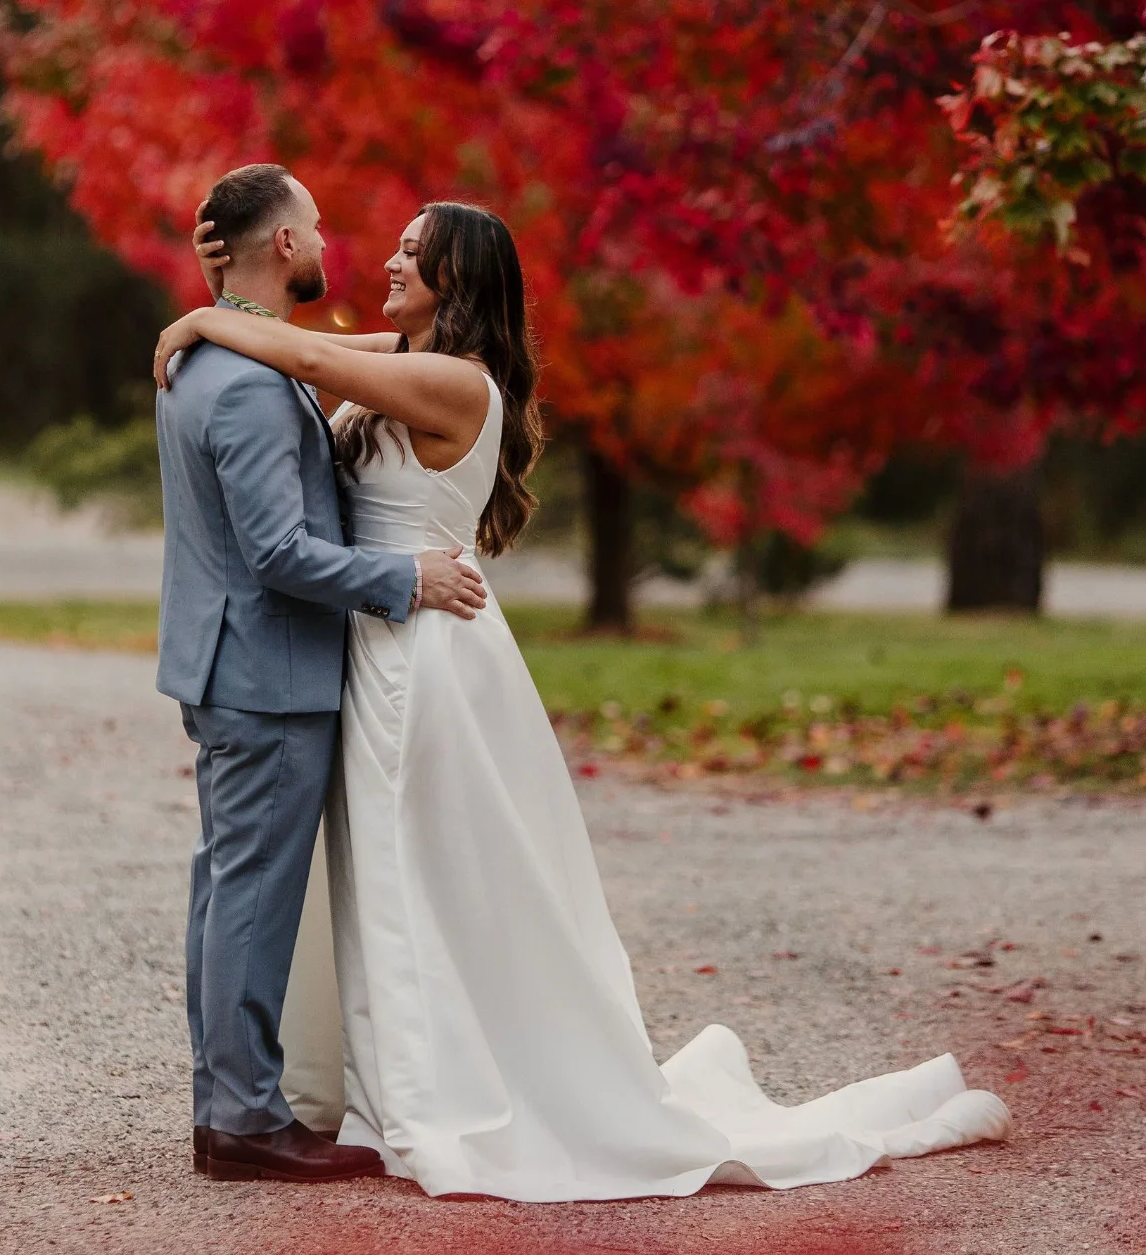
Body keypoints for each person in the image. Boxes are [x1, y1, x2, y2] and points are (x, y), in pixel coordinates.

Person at [154, 189, 1012, 1200]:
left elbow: (307, 356)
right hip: (378, 641)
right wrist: (228, 304)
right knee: (389, 872)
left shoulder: (453, 383)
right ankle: (377, 1081)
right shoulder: (406, 358)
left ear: (456, 284)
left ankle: (436, 1084)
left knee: (421, 869)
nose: (383, 261)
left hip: (426, 651)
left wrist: (206, 317)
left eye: (410, 253)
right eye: (385, 245)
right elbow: (334, 347)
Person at [154, 163, 487, 1185]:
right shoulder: (253, 387)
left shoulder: (219, 364)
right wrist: (407, 578)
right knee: (248, 894)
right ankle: (244, 1119)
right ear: (287, 246)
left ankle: (228, 1105)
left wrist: (204, 313)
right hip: (268, 671)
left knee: (226, 889)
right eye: (319, 228)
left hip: (230, 665)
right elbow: (279, 555)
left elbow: (337, 352)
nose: (338, 243)